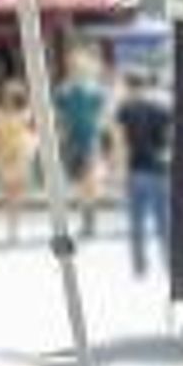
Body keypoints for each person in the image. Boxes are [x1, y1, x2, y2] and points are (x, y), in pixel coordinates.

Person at [112, 69, 172, 278]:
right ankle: (168, 263)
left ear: (128, 86)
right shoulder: (162, 109)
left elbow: (120, 144)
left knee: (136, 222)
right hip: (161, 171)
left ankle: (139, 267)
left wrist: (118, 172)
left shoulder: (124, 110)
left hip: (136, 170)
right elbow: (169, 140)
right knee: (163, 222)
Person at [54, 47, 110, 237]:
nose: (77, 68)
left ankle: (89, 219)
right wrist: (60, 138)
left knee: (90, 180)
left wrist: (100, 134)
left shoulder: (95, 90)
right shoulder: (64, 90)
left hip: (90, 138)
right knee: (79, 182)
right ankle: (86, 217)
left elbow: (103, 116)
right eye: (74, 65)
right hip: (72, 140)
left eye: (80, 64)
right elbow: (59, 117)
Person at [0, 78, 39, 243]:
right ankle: (11, 227)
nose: (9, 97)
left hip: (21, 156)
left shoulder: (27, 113)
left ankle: (13, 229)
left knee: (16, 194)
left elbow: (35, 133)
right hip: (4, 156)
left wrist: (32, 146)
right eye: (6, 93)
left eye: (12, 94)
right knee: (8, 194)